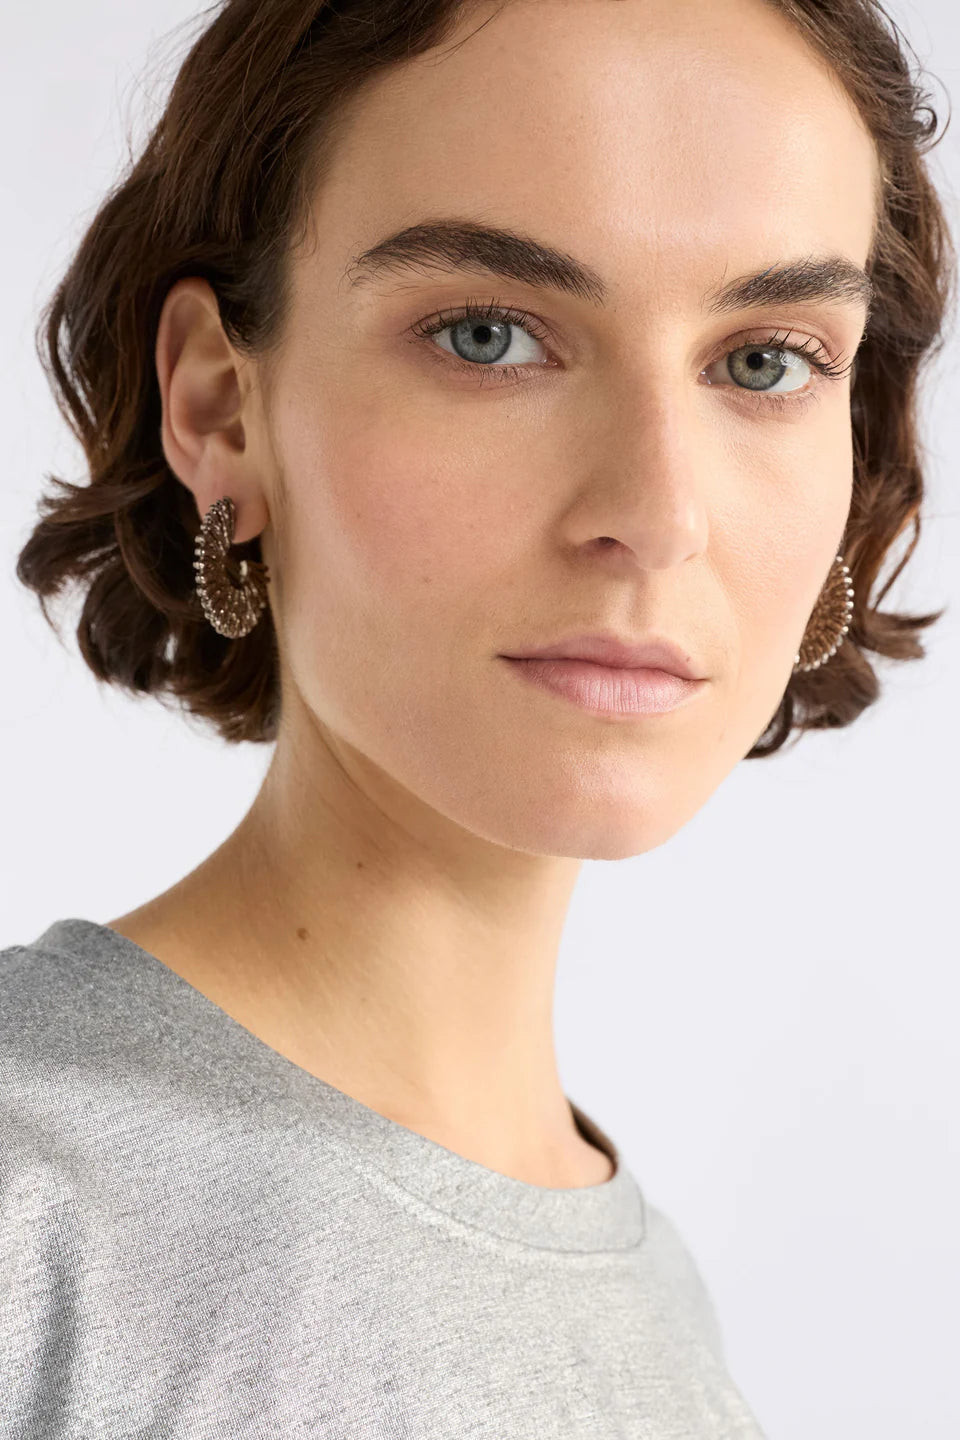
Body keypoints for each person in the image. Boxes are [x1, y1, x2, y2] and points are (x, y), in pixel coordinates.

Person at [3, 0, 952, 1435]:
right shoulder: (33, 1207)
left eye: (765, 360)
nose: (657, 514)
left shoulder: (659, 1312)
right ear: (220, 406)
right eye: (488, 335)